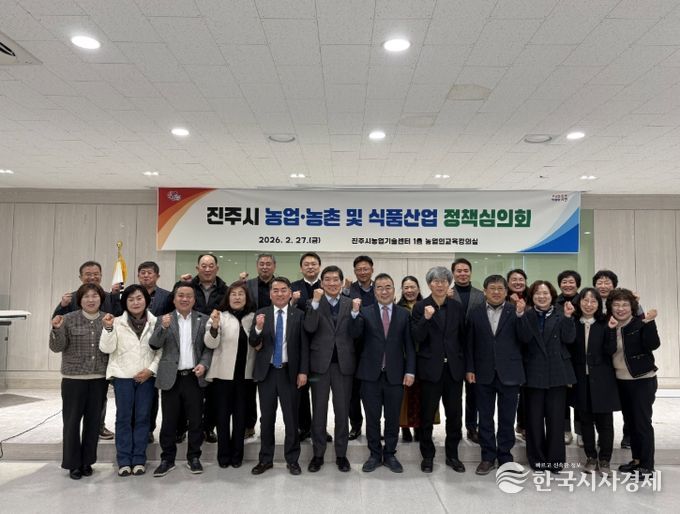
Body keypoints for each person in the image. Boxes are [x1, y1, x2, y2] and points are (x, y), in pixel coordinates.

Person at [350, 273, 415, 473]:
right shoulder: (365, 312)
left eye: (388, 287)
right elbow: (354, 335)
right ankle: (374, 454)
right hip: (369, 375)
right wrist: (354, 314)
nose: (384, 291)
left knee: (393, 418)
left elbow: (409, 345)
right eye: (379, 287)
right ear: (374, 291)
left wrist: (410, 371)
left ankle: (390, 454)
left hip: (395, 375)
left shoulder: (403, 314)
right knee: (372, 418)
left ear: (394, 290)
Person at [149, 283, 212, 477]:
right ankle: (167, 459)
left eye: (189, 296)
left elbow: (209, 348)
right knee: (169, 421)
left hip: (194, 377)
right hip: (171, 377)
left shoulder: (203, 319)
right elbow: (154, 344)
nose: (185, 299)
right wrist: (163, 328)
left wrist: (204, 364)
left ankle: (194, 457)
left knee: (196, 421)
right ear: (174, 299)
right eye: (181, 296)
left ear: (194, 299)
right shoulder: (163, 319)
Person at [53, 260, 120, 440]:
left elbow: (118, 319)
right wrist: (62, 305)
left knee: (100, 399)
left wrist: (115, 297)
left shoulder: (108, 296)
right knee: (74, 410)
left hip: (103, 357)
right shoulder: (71, 298)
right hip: (77, 363)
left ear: (101, 275)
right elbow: (56, 323)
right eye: (88, 274)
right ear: (80, 277)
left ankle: (99, 426)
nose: (92, 277)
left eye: (96, 274)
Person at [465, 275, 525, 475]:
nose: (496, 292)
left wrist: (521, 314)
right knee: (485, 418)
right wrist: (470, 369)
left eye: (500, 288)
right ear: (485, 291)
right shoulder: (475, 313)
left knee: (507, 418)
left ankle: (505, 456)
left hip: (510, 372)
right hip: (483, 373)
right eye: (492, 288)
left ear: (506, 292)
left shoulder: (515, 311)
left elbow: (525, 338)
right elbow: (469, 344)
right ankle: (487, 457)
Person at [249, 277, 308, 476]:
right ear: (270, 294)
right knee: (267, 419)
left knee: (291, 419)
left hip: (289, 373)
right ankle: (265, 459)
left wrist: (303, 371)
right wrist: (258, 328)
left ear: (290, 293)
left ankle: (292, 460)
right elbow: (253, 342)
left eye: (283, 290)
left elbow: (304, 346)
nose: (280, 293)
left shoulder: (298, 315)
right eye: (275, 290)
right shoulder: (261, 313)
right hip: (267, 373)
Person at [49, 283, 109, 480]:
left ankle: (87, 461)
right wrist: (56, 329)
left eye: (95, 296)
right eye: (86, 296)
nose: (91, 300)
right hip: (73, 379)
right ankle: (73, 464)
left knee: (93, 423)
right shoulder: (67, 319)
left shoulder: (108, 319)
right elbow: (57, 347)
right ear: (79, 300)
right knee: (72, 423)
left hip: (99, 379)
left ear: (101, 299)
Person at [99, 284, 160, 477]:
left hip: (146, 378)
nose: (135, 302)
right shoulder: (115, 322)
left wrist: (150, 370)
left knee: (143, 418)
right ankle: (124, 460)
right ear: (125, 302)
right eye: (131, 299)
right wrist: (108, 329)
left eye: (139, 298)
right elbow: (106, 348)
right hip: (123, 377)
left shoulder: (156, 322)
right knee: (124, 419)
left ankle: (139, 459)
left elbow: (161, 352)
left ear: (146, 301)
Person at [412, 266, 466, 474]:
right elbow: (416, 337)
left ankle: (453, 455)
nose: (440, 285)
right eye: (436, 281)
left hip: (453, 369)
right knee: (426, 416)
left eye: (444, 281)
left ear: (449, 283)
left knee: (454, 415)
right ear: (429, 284)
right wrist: (426, 318)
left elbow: (463, 337)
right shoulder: (420, 307)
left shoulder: (457, 307)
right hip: (430, 369)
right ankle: (427, 456)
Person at [518, 280, 576, 473]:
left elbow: (569, 338)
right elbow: (523, 338)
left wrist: (568, 317)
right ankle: (537, 460)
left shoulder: (562, 314)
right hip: (533, 372)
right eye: (537, 293)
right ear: (532, 296)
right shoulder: (526, 314)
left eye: (545, 293)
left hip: (556, 372)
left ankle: (555, 461)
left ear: (552, 296)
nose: (541, 297)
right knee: (533, 420)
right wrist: (520, 315)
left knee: (556, 419)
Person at [303, 266, 355, 473]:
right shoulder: (312, 303)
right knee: (319, 411)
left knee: (342, 412)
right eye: (327, 279)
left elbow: (356, 332)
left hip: (343, 365)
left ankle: (341, 455)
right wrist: (315, 303)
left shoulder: (351, 303)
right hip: (319, 367)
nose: (332, 283)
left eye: (335, 279)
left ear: (342, 282)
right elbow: (309, 328)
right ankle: (318, 455)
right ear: (321, 283)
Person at [608, 288, 660, 478]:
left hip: (642, 380)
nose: (620, 308)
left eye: (625, 305)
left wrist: (649, 322)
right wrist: (611, 330)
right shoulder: (610, 325)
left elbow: (653, 344)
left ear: (632, 307)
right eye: (616, 304)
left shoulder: (640, 323)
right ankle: (637, 460)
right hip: (621, 381)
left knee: (642, 423)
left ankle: (647, 465)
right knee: (630, 422)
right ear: (610, 307)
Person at [204, 281, 256, 469]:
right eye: (233, 294)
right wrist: (214, 326)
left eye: (241, 294)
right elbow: (210, 343)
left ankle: (237, 455)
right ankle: (223, 454)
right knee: (223, 417)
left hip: (245, 377)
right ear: (228, 297)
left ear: (246, 298)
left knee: (241, 417)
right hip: (222, 376)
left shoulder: (253, 317)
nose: (237, 297)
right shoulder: (219, 315)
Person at [569, 287, 620, 475]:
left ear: (599, 304)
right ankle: (590, 457)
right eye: (585, 300)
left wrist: (612, 330)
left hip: (603, 381)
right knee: (585, 421)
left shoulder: (606, 323)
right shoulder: (573, 323)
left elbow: (610, 350)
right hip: (580, 380)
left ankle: (605, 460)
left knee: (605, 422)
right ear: (579, 302)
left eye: (593, 301)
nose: (589, 304)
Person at [178, 254, 227, 444]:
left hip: (215, 342)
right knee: (186, 388)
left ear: (217, 268)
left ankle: (208, 427)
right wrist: (180, 285)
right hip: (189, 342)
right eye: (203, 265)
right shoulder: (186, 287)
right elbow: (171, 306)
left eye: (211, 265)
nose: (207, 269)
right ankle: (181, 427)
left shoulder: (225, 290)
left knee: (212, 391)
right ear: (197, 268)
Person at [137, 261, 173, 443]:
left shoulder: (166, 296)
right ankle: (134, 427)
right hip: (135, 347)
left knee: (152, 394)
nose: (146, 276)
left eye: (149, 273)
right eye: (142, 272)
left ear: (157, 276)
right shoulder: (133, 295)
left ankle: (149, 429)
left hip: (157, 348)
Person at [450, 258, 484, 444]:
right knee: (454, 394)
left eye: (465, 270)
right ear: (453, 274)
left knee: (474, 392)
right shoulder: (446, 293)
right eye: (459, 271)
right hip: (452, 350)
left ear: (470, 272)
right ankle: (455, 429)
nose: (462, 274)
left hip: (475, 350)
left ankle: (472, 427)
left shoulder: (480, 295)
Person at [243, 253, 277, 439]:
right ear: (257, 266)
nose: (265, 267)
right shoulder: (247, 285)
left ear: (274, 266)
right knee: (249, 385)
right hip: (252, 339)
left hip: (275, 339)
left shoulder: (280, 285)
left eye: (268, 264)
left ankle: (269, 424)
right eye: (262, 264)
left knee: (269, 385)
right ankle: (249, 424)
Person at [291, 252, 323, 443]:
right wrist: (292, 302)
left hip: (322, 346)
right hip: (299, 345)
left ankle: (319, 429)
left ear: (319, 267)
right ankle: (304, 427)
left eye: (314, 264)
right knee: (301, 390)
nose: (310, 267)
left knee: (320, 392)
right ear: (301, 268)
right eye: (306, 264)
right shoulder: (293, 287)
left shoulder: (327, 286)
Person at [345, 255, 376, 440]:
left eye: (366, 268)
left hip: (375, 347)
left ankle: (374, 425)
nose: (363, 272)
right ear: (355, 271)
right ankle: (355, 425)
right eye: (359, 269)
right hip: (353, 347)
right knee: (353, 391)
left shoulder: (380, 288)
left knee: (373, 391)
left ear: (372, 269)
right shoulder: (348, 291)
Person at [556, 270, 582, 447]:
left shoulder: (585, 300)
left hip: (581, 353)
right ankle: (565, 430)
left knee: (580, 395)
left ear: (577, 284)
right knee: (562, 396)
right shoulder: (554, 302)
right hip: (561, 353)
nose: (568, 285)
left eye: (571, 282)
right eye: (564, 282)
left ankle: (581, 431)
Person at [397, 276, 424, 443]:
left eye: (412, 287)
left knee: (421, 395)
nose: (409, 290)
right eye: (406, 287)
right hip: (403, 357)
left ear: (418, 289)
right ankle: (404, 427)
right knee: (404, 396)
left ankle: (419, 426)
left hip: (423, 357)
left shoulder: (426, 306)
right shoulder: (398, 308)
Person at [506, 268, 528, 440]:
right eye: (514, 279)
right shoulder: (501, 298)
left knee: (526, 392)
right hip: (509, 352)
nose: (517, 282)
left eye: (521, 279)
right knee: (512, 392)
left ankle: (523, 424)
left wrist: (521, 306)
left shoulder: (532, 297)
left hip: (528, 352)